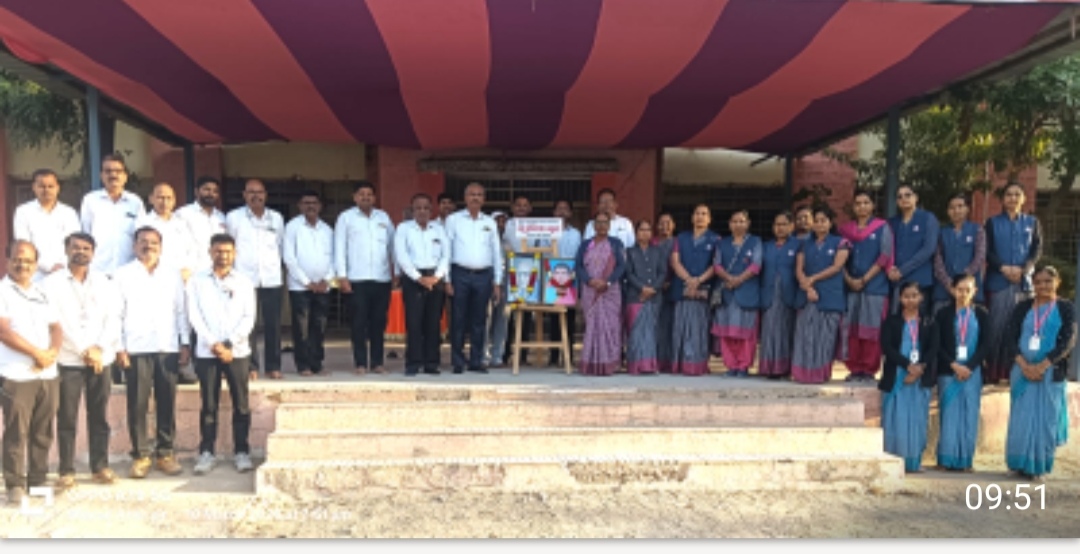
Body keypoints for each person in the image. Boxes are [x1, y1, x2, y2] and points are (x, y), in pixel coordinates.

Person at [43, 232, 121, 489]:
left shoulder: (105, 282)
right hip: (68, 359)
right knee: (67, 417)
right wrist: (84, 350)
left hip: (101, 359)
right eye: (75, 247)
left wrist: (98, 348)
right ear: (66, 250)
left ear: (93, 253)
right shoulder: (51, 283)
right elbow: (55, 322)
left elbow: (114, 318)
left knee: (99, 415)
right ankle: (66, 470)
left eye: (86, 248)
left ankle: (100, 466)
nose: (81, 252)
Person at [113, 226, 190, 478]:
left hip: (167, 347)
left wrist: (185, 343)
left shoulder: (172, 275)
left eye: (154, 242)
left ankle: (165, 454)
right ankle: (140, 456)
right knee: (137, 404)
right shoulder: (122, 275)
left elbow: (181, 311)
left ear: (161, 247)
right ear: (134, 246)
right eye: (143, 242)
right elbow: (115, 314)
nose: (148, 246)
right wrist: (119, 347)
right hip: (136, 348)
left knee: (166, 402)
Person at [187, 234, 257, 476]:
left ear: (234, 254)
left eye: (227, 251)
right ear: (210, 252)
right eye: (218, 251)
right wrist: (213, 343)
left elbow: (249, 317)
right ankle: (207, 452)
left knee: (241, 404)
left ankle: (242, 451)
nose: (223, 256)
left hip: (237, 351)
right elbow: (194, 315)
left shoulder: (244, 282)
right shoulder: (197, 281)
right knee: (209, 404)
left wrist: (229, 344)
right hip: (207, 352)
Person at [0, 241, 62, 506]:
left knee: (43, 430)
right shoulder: (3, 291)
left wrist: (52, 352)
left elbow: (56, 327)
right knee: (16, 431)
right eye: (17, 259)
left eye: (28, 261)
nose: (22, 264)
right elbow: (3, 331)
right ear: (7, 261)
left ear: (36, 265)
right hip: (16, 374)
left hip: (47, 374)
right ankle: (14, 484)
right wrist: (37, 353)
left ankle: (38, 480)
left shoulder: (42, 292)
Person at [1003, 266, 1075, 480]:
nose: (1043, 286)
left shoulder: (1065, 307)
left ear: (1057, 282)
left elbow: (1068, 340)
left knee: (1046, 420)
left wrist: (1042, 366)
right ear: (1033, 284)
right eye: (1038, 282)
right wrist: (1025, 366)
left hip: (1050, 373)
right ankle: (1018, 464)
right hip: (1022, 371)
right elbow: (1010, 337)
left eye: (1048, 281)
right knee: (1021, 418)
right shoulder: (1023, 307)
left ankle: (1038, 466)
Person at [334, 181, 396, 376]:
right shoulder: (346, 218)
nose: (366, 197)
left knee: (378, 323)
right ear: (354, 197)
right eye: (361, 194)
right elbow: (339, 248)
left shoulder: (383, 218)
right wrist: (342, 276)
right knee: (358, 323)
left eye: (369, 194)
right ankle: (360, 363)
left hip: (381, 278)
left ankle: (377, 363)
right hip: (356, 279)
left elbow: (393, 247)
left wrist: (397, 272)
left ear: (374, 198)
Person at [985, 183, 1043, 385]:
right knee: (996, 328)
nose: (1012, 198)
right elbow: (987, 250)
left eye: (1017, 194)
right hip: (998, 282)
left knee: (1020, 328)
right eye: (1009, 194)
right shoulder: (992, 223)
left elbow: (1036, 250)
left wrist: (1024, 269)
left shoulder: (1032, 222)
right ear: (1003, 199)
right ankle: (993, 372)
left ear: (1023, 198)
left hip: (1023, 284)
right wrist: (1003, 268)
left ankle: (1017, 371)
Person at [226, 178, 284, 380]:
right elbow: (229, 247)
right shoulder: (234, 218)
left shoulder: (276, 218)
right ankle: (250, 366)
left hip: (271, 278)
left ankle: (273, 366)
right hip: (243, 279)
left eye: (259, 192)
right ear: (244, 195)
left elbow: (280, 246)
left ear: (265, 195)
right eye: (251, 192)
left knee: (273, 325)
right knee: (247, 323)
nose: (255, 196)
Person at [879, 282, 938, 473]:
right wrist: (908, 366)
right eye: (906, 296)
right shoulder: (892, 321)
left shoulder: (929, 321)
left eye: (914, 295)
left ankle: (914, 461)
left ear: (921, 297)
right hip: (897, 377)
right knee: (895, 420)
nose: (910, 300)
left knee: (917, 420)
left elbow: (933, 348)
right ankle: (893, 461)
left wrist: (919, 368)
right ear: (900, 299)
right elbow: (887, 347)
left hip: (920, 379)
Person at [445, 183, 503, 374]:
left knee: (479, 320)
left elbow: (496, 252)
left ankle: (476, 360)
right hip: (460, 274)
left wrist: (497, 281)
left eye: (479, 195)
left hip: (483, 275)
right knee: (458, 319)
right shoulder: (454, 220)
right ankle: (458, 361)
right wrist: (447, 279)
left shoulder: (490, 222)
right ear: (465, 198)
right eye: (472, 194)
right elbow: (447, 250)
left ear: (484, 199)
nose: (475, 198)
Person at [934, 274, 990, 472]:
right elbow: (937, 344)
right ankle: (945, 459)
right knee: (948, 415)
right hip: (948, 372)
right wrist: (954, 365)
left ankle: (966, 461)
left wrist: (970, 366)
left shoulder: (981, 314)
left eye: (968, 290)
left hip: (972, 373)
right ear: (953, 290)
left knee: (969, 415)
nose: (963, 294)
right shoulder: (943, 314)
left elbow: (986, 344)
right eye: (959, 289)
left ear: (975, 291)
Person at [839, 191, 894, 383]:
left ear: (872, 206)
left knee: (871, 329)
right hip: (850, 287)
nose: (862, 206)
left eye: (866, 202)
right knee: (852, 329)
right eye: (858, 203)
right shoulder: (845, 230)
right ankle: (854, 368)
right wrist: (848, 279)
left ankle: (869, 369)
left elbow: (885, 256)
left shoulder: (882, 228)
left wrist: (864, 279)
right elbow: (839, 258)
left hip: (875, 287)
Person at [792, 207, 850, 384]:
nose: (819, 224)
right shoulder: (804, 244)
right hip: (807, 297)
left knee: (825, 338)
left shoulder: (841, 243)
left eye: (823, 220)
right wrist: (808, 287)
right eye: (816, 221)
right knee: (805, 336)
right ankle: (802, 375)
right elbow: (799, 269)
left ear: (830, 223)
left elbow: (837, 267)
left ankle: (820, 375)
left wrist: (813, 279)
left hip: (830, 296)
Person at [395, 193, 450, 377]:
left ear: (431, 210)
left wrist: (437, 276)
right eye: (418, 208)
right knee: (414, 322)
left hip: (435, 278)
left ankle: (431, 363)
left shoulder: (439, 229)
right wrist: (419, 278)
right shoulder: (404, 228)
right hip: (413, 278)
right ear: (412, 210)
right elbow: (402, 256)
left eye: (426, 208)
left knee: (433, 323)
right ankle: (413, 363)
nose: (422, 211)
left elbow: (446, 255)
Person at [283, 191, 335, 377]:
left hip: (323, 286)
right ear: (299, 206)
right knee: (301, 328)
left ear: (320, 206)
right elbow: (289, 258)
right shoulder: (292, 227)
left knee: (319, 327)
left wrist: (326, 280)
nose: (310, 206)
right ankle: (303, 365)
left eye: (314, 202)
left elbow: (334, 258)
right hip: (300, 287)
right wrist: (307, 282)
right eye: (306, 203)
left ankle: (317, 363)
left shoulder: (327, 230)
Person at [669, 204, 720, 376]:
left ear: (709, 219)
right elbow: (675, 261)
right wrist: (689, 280)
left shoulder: (716, 239)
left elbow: (716, 265)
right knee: (681, 328)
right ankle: (680, 364)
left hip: (703, 291)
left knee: (700, 329)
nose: (700, 217)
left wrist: (698, 280)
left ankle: (697, 365)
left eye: (704, 214)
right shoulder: (681, 238)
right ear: (692, 217)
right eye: (697, 213)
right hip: (682, 290)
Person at [711, 210, 762, 377]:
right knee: (727, 332)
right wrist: (729, 278)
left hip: (747, 293)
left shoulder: (755, 242)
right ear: (730, 224)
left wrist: (738, 279)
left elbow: (756, 265)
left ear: (748, 224)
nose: (738, 224)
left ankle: (743, 366)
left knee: (745, 333)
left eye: (742, 221)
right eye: (735, 221)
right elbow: (717, 265)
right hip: (727, 293)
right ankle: (731, 365)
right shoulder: (722, 243)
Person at [575, 213, 625, 376]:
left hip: (610, 291)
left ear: (609, 226)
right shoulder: (585, 245)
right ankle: (590, 363)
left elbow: (621, 266)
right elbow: (579, 266)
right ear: (593, 225)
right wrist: (589, 281)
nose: (602, 226)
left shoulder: (616, 244)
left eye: (605, 222)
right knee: (592, 326)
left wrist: (608, 282)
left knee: (611, 326)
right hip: (590, 290)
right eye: (599, 222)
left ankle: (610, 364)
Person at [80, 154, 146, 277]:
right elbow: (85, 235)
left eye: (118, 171)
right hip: (98, 270)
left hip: (128, 270)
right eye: (108, 171)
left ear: (125, 176)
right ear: (101, 176)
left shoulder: (135, 202)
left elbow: (141, 236)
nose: (113, 175)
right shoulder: (90, 201)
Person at [12, 168, 81, 281]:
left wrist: (61, 265)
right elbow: (24, 245)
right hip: (35, 274)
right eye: (42, 186)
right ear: (34, 187)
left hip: (65, 272)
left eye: (50, 186)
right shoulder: (23, 212)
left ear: (58, 188)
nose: (46, 190)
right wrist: (49, 266)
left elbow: (75, 243)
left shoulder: (69, 213)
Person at [758, 212, 800, 379]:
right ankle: (769, 368)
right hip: (769, 294)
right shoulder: (766, 246)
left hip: (788, 294)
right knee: (769, 331)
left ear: (791, 226)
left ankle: (784, 369)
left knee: (786, 331)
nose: (780, 228)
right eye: (777, 224)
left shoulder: (798, 245)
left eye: (784, 224)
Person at [887, 185, 939, 316]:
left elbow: (928, 249)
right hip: (897, 283)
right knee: (896, 321)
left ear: (916, 197)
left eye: (907, 195)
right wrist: (890, 269)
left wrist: (902, 270)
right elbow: (887, 249)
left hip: (919, 281)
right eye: (899, 197)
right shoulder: (892, 222)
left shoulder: (927, 218)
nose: (904, 199)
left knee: (919, 323)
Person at [933, 194, 986, 314]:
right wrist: (949, 284)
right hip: (944, 291)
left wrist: (962, 282)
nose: (956, 210)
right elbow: (937, 260)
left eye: (960, 206)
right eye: (952, 207)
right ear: (948, 211)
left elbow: (979, 257)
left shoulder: (977, 230)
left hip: (969, 291)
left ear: (967, 209)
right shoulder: (941, 232)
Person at [624, 220, 666, 374]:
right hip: (635, 297)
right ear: (636, 233)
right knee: (636, 333)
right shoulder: (629, 252)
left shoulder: (658, 252)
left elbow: (662, 272)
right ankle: (636, 366)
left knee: (651, 333)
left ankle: (650, 365)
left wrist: (653, 288)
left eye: (648, 230)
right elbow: (628, 273)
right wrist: (642, 288)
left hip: (654, 297)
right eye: (641, 230)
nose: (645, 233)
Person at [546, 199, 582, 366]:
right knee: (553, 318)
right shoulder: (546, 232)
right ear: (553, 212)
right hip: (551, 278)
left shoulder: (576, 234)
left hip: (570, 278)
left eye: (565, 209)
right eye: (559, 209)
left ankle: (568, 355)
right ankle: (553, 356)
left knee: (569, 317)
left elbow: (579, 256)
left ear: (571, 213)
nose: (562, 212)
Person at [136, 183, 196, 282]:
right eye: (160, 197)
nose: (165, 202)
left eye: (169, 198)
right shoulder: (143, 222)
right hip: (155, 277)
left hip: (182, 277)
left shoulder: (182, 223)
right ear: (151, 199)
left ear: (174, 201)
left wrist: (188, 269)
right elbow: (140, 251)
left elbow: (192, 249)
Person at [175, 176, 228, 274]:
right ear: (196, 191)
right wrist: (183, 267)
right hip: (192, 271)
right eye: (207, 190)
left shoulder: (221, 217)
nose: (211, 194)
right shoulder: (183, 214)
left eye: (215, 191)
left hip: (216, 271)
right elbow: (177, 244)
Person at [654, 213, 677, 373]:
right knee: (657, 326)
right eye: (661, 223)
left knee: (671, 326)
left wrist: (670, 281)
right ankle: (657, 360)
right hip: (654, 289)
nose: (664, 226)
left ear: (673, 225)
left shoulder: (677, 243)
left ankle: (670, 361)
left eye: (668, 223)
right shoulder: (652, 243)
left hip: (673, 287)